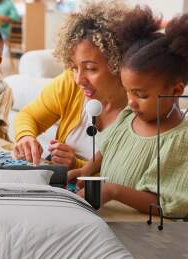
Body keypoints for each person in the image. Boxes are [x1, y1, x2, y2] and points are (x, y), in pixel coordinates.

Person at [68, 7, 188, 217]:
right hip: (107, 219)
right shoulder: (128, 117)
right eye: (127, 92)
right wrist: (86, 169)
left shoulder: (180, 140)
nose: (131, 102)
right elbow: (108, 147)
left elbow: (170, 203)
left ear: (176, 91)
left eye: (140, 95)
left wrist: (114, 191)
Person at [13, 0, 129, 167]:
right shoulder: (70, 83)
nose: (78, 80)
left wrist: (77, 164)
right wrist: (25, 137)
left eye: (90, 68)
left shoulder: (139, 107)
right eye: (74, 67)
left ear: (118, 64)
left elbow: (127, 179)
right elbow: (28, 115)